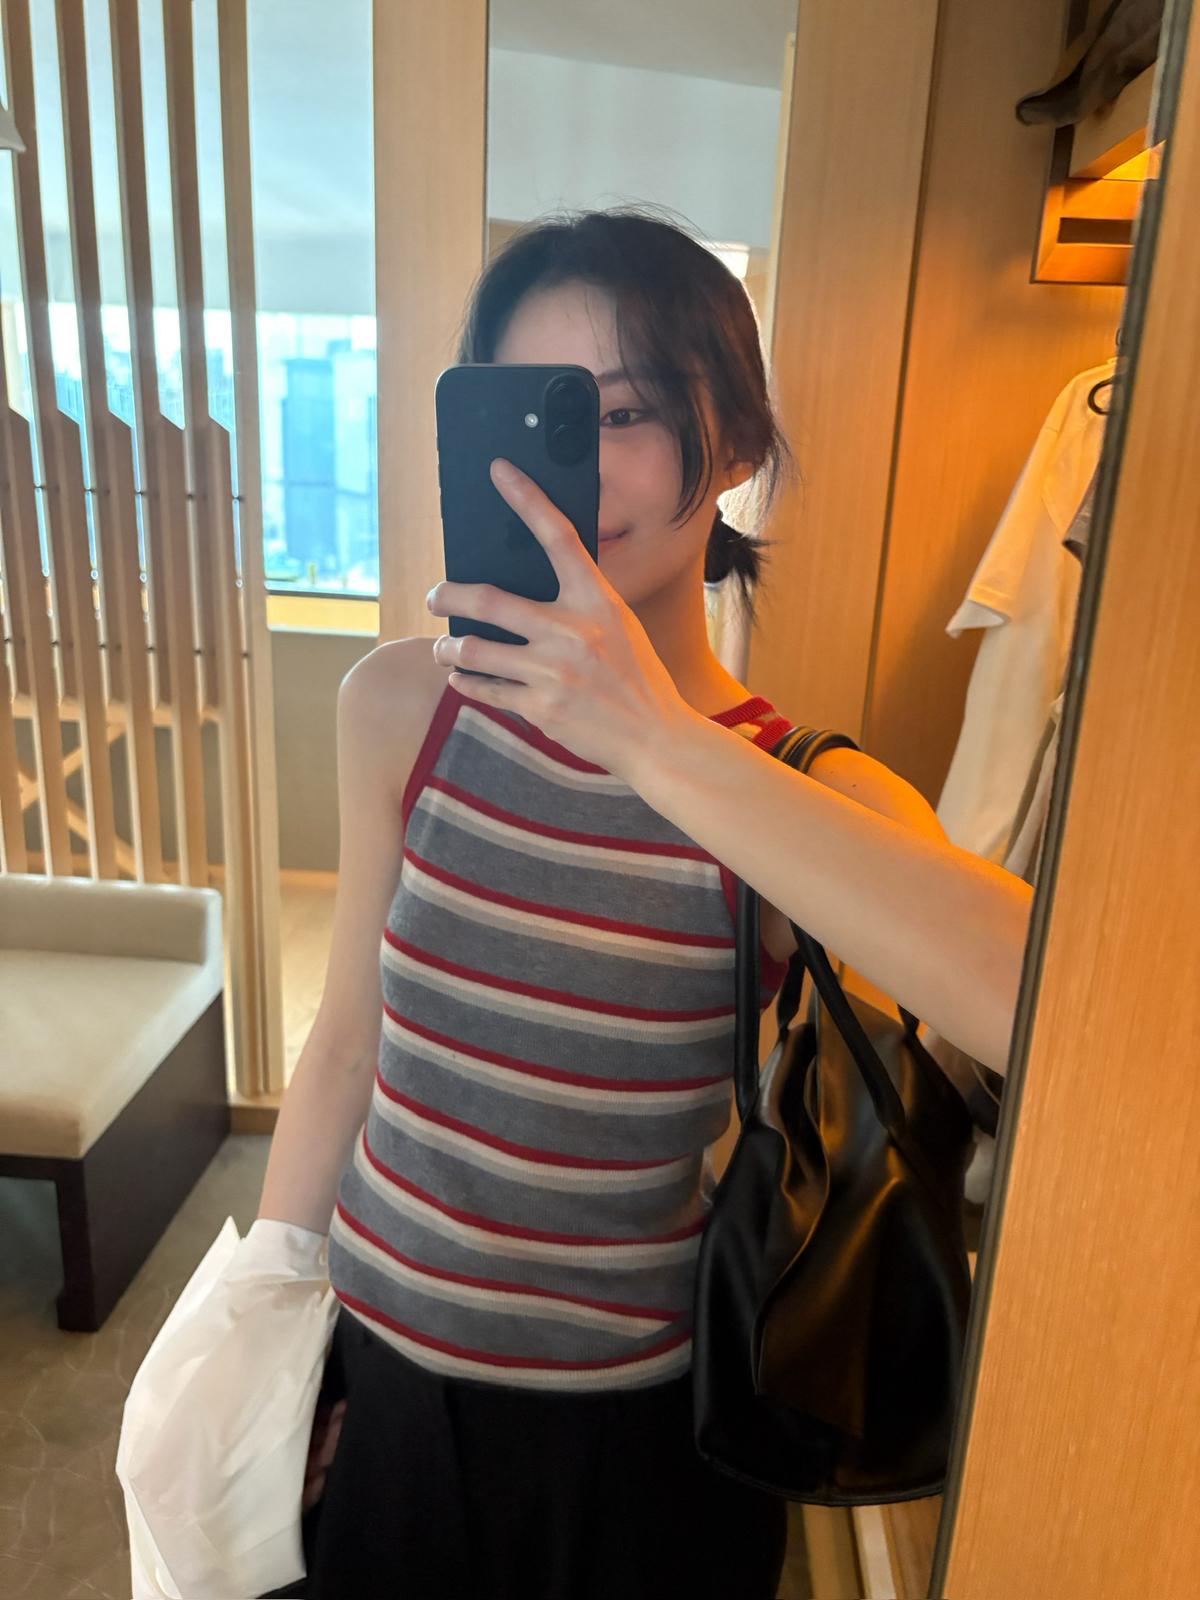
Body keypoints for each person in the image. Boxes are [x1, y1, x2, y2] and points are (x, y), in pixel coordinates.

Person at [255, 205, 1033, 1599]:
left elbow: (1038, 1002)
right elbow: (345, 1046)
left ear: (731, 442)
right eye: (537, 413)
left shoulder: (790, 786)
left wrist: (654, 739)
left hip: (635, 1444)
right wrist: (265, 1323)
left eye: (620, 414)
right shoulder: (402, 708)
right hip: (383, 1387)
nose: (577, 472)